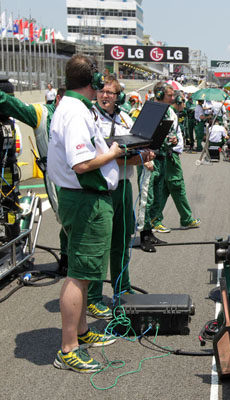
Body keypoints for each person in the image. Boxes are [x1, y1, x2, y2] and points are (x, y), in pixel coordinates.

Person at [47, 55, 123, 372]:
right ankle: (68, 349)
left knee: (83, 269)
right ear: (92, 82)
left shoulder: (73, 107)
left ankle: (80, 332)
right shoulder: (77, 112)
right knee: (78, 275)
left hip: (81, 198)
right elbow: (80, 164)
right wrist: (116, 153)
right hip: (86, 199)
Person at [87, 75, 154, 319]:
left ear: (119, 96)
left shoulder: (126, 118)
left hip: (124, 186)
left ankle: (122, 289)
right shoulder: (90, 117)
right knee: (99, 246)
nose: (105, 96)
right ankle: (93, 298)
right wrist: (132, 154)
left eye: (111, 92)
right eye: (102, 91)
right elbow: (104, 152)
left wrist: (145, 156)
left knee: (121, 242)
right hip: (100, 188)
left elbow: (132, 149)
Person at [0, 80, 69, 272]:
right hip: (55, 176)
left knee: (73, 221)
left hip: (79, 174)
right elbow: (14, 106)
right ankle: (68, 260)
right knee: (66, 220)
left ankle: (67, 258)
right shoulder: (43, 112)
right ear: (57, 99)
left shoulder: (80, 114)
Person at [145, 82, 200, 234]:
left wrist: (174, 139)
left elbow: (173, 132)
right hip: (157, 156)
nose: (173, 98)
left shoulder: (170, 111)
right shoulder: (151, 110)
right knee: (166, 188)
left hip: (169, 153)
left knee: (166, 188)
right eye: (169, 95)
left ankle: (162, 219)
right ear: (159, 95)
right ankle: (153, 223)